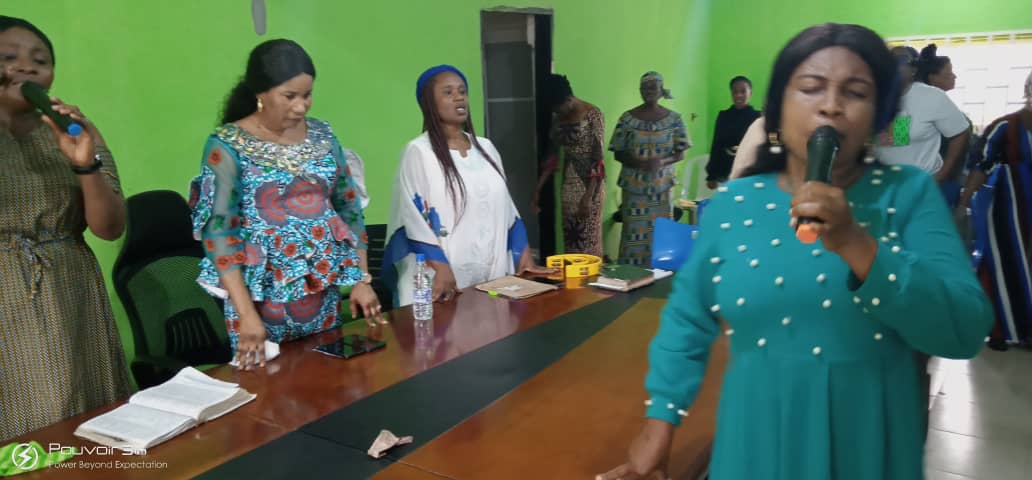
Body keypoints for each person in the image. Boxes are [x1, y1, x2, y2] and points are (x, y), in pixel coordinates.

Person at [599, 23, 993, 480]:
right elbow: (687, 322)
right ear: (778, 110)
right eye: (810, 88)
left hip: (867, 442)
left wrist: (856, 243)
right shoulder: (734, 203)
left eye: (856, 91)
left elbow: (964, 331)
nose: (830, 104)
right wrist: (659, 425)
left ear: (880, 115)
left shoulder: (909, 195)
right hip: (754, 438)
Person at [189, 39, 380, 370]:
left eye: (307, 95)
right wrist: (246, 314)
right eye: (289, 96)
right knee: (269, 402)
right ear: (260, 93)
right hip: (259, 302)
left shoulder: (323, 136)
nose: (301, 106)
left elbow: (349, 208)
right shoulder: (226, 145)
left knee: (328, 381)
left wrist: (361, 280)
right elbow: (218, 231)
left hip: (321, 291)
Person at [0, 16, 130, 441]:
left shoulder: (73, 129)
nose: (27, 68)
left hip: (73, 291)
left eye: (40, 60)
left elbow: (110, 227)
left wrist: (83, 161)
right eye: (8, 57)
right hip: (7, 299)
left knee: (89, 420)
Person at [384, 65, 552, 306]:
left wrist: (524, 258)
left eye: (462, 91)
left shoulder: (486, 148)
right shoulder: (419, 152)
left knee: (490, 335)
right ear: (427, 102)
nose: (459, 97)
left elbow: (507, 209)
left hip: (490, 274)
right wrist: (441, 270)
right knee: (449, 341)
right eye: (448, 92)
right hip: (441, 278)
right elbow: (413, 218)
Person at [957, 70, 1032, 348]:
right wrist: (963, 201)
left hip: (934, 179)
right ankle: (1001, 328)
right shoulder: (1005, 126)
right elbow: (981, 163)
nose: (953, 76)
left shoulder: (930, 104)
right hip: (1008, 200)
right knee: (1002, 259)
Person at [609, 72, 691, 266]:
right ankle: (631, 275)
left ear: (661, 90)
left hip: (662, 190)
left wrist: (661, 162)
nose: (648, 91)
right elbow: (617, 152)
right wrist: (638, 162)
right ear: (639, 91)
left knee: (662, 233)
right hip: (634, 189)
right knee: (632, 235)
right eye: (645, 87)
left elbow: (681, 153)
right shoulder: (627, 119)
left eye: (653, 87)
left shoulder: (674, 120)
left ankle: (661, 276)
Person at [532, 74, 606, 257]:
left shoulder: (593, 115)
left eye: (559, 108)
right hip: (568, 186)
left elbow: (599, 159)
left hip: (591, 186)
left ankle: (593, 283)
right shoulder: (559, 119)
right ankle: (573, 283)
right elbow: (552, 157)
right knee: (572, 238)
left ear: (568, 98)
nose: (558, 112)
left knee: (588, 240)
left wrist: (588, 197)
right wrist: (538, 189)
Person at [875, 45, 969, 187]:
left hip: (923, 184)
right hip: (883, 185)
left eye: (901, 61)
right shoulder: (872, 97)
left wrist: (940, 176)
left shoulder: (932, 97)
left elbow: (960, 133)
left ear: (913, 69)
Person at [706, 76, 762, 189]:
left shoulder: (758, 117)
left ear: (750, 93)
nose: (739, 95)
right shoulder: (724, 116)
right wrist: (711, 175)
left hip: (751, 173)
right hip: (725, 172)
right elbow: (716, 145)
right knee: (728, 204)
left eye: (743, 91)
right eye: (735, 92)